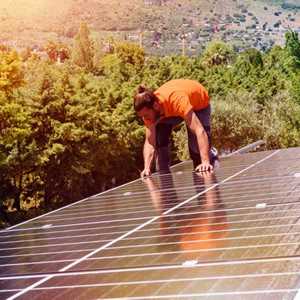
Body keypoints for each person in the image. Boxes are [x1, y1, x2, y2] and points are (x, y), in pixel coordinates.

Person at [134, 79, 218, 178]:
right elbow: (149, 142)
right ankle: (163, 173)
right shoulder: (149, 112)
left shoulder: (177, 100)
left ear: (155, 106)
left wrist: (205, 161)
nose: (145, 119)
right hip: (169, 111)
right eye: (142, 116)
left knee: (197, 150)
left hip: (199, 103)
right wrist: (146, 168)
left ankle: (210, 153)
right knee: (159, 137)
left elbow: (199, 130)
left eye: (146, 115)